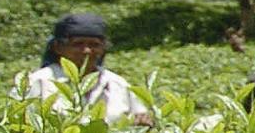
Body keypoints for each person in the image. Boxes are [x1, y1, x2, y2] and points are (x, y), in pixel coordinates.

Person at [20, 11, 155, 126]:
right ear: (58, 47)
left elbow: (140, 119)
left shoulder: (118, 85)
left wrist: (143, 123)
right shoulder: (37, 83)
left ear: (103, 48)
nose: (87, 50)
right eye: (77, 44)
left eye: (94, 44)